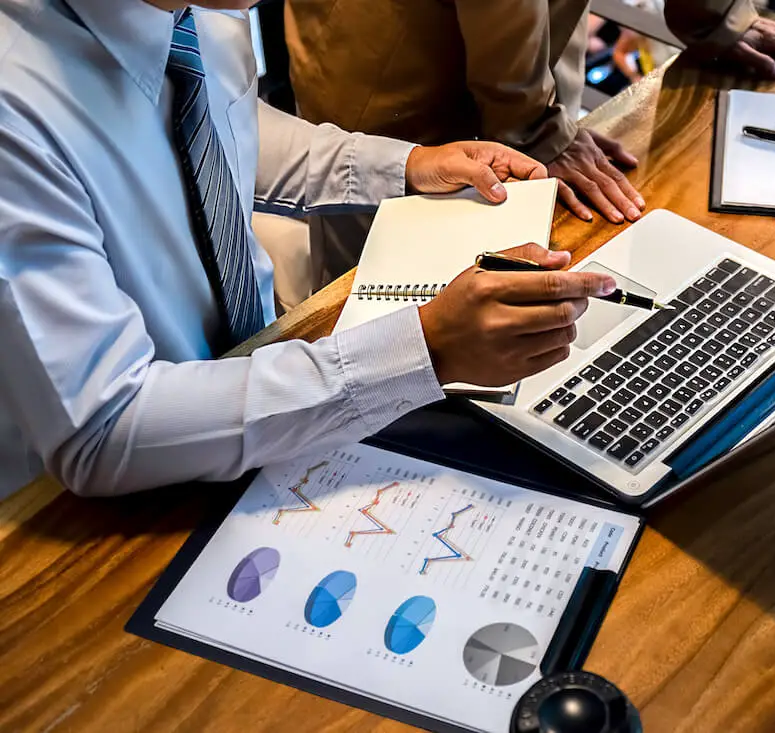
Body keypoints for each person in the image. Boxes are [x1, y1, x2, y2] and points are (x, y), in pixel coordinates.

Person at [0, 0, 616, 499]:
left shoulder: (203, 12)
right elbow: (102, 431)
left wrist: (404, 166)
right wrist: (426, 347)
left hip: (263, 392)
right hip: (96, 508)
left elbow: (224, 122)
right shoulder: (16, 111)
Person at [284, 0, 775, 267]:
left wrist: (711, 14)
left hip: (528, 69)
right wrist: (536, 127)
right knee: (379, 294)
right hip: (397, 75)